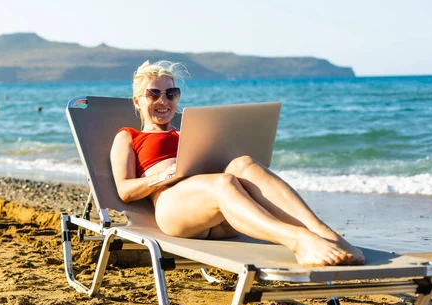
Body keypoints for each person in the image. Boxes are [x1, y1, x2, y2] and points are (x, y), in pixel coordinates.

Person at [110, 60, 365, 266]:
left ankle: (322, 232)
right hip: (174, 207)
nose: (163, 101)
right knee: (224, 181)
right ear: (137, 100)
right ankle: (298, 240)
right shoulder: (129, 136)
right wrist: (161, 176)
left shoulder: (189, 133)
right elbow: (124, 190)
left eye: (171, 93)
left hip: (221, 216)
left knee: (243, 163)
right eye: (153, 94)